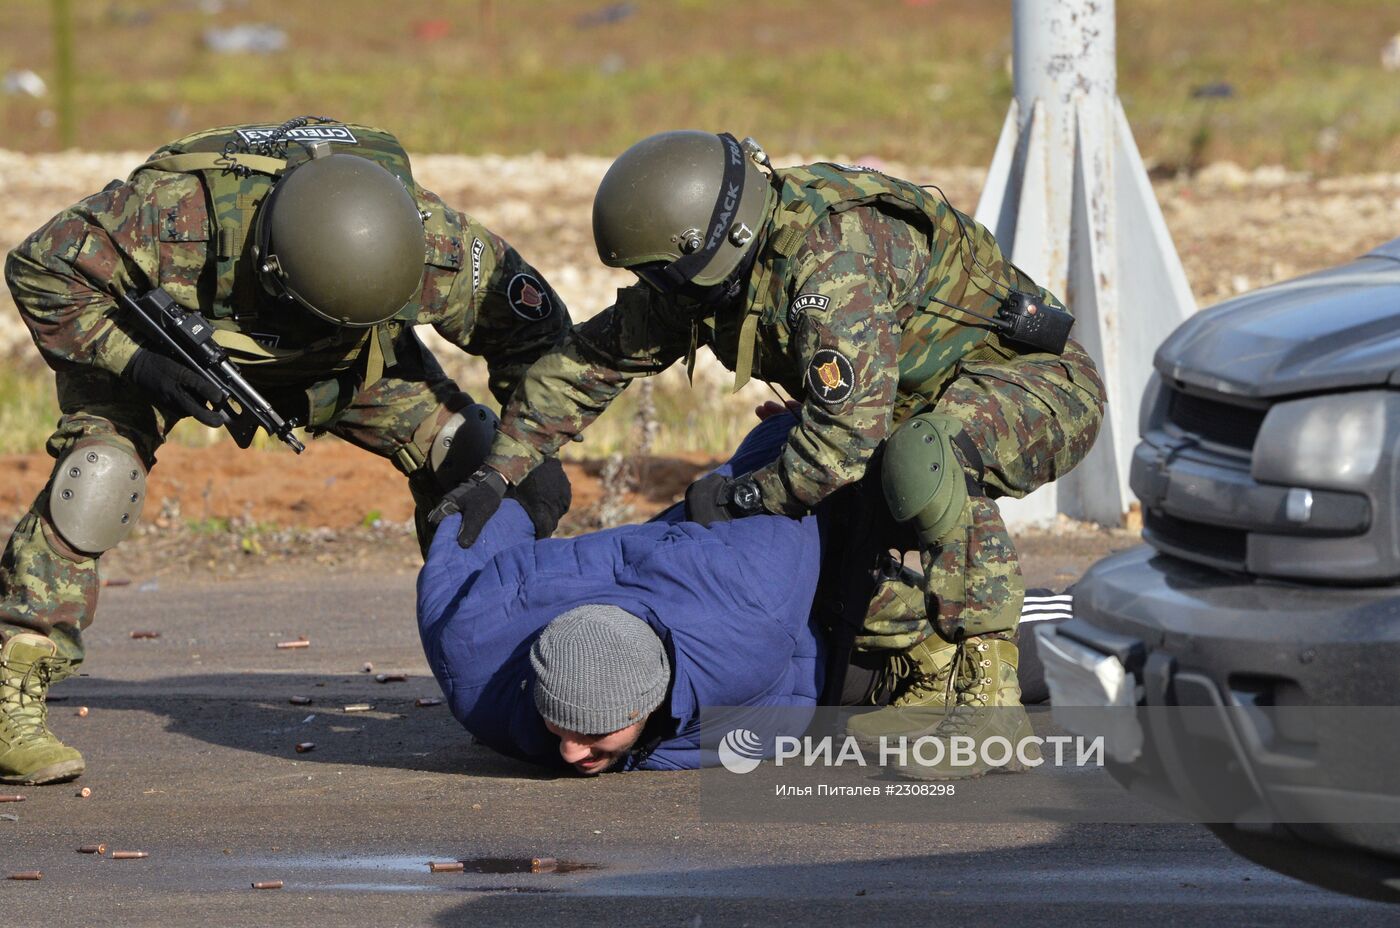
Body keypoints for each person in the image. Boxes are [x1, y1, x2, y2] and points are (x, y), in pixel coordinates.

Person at [428, 130, 1105, 778]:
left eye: (660, 275)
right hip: (898, 407)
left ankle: (989, 704)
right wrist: (501, 472)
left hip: (1035, 389)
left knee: (919, 462)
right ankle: (925, 677)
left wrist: (744, 495)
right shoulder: (706, 274)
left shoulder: (829, 260)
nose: (655, 290)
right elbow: (589, 363)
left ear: (710, 247)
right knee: (871, 537)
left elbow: (841, 444)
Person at [0, 117, 571, 785]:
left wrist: (527, 452)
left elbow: (538, 343)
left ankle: (500, 673)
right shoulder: (175, 216)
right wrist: (140, 365)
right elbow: (40, 267)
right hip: (168, 347)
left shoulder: (434, 246)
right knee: (97, 479)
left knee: (482, 471)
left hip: (354, 365)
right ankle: (14, 688)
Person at [419, 415, 1070, 775]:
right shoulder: (472, 645)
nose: (569, 752)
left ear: (648, 701)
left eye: (592, 738)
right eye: (563, 726)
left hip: (829, 636)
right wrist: (509, 485)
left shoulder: (745, 608)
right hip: (711, 583)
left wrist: (809, 424)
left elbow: (790, 494)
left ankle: (1138, 623)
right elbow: (467, 544)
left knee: (1033, 647)